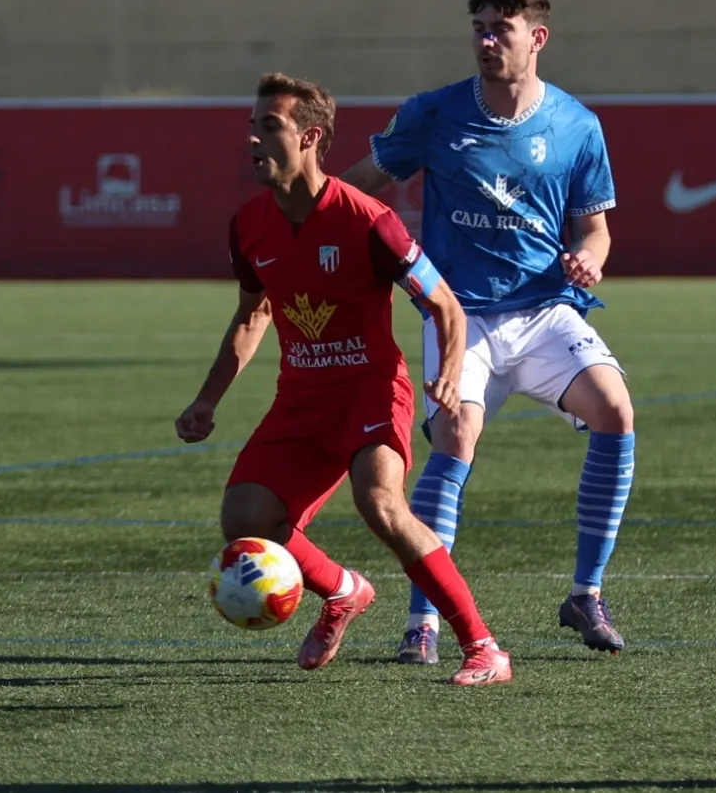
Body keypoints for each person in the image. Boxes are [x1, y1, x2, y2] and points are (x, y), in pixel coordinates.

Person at [175, 73, 512, 686]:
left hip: (370, 389)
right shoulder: (248, 226)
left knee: (379, 501)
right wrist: (206, 400)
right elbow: (252, 316)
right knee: (245, 519)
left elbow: (446, 306)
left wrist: (450, 375)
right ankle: (342, 590)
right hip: (300, 400)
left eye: (269, 126)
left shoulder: (368, 220)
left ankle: (483, 646)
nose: (253, 138)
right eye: (252, 126)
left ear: (310, 138)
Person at [338, 0, 636, 664]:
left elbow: (595, 230)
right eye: (479, 27)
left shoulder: (577, 125)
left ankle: (586, 594)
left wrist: (590, 260)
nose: (487, 40)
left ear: (538, 38)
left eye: (501, 28)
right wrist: (311, 220)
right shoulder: (434, 113)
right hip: (459, 315)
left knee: (616, 411)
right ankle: (423, 623)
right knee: (456, 437)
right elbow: (361, 186)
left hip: (545, 312)